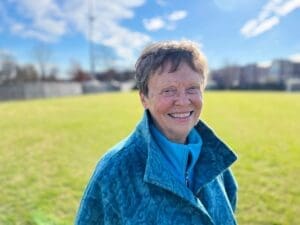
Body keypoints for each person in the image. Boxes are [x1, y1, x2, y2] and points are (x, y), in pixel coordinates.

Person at [75, 40, 238, 225]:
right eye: (169, 90)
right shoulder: (114, 172)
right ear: (144, 98)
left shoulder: (218, 160)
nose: (183, 101)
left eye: (193, 88)